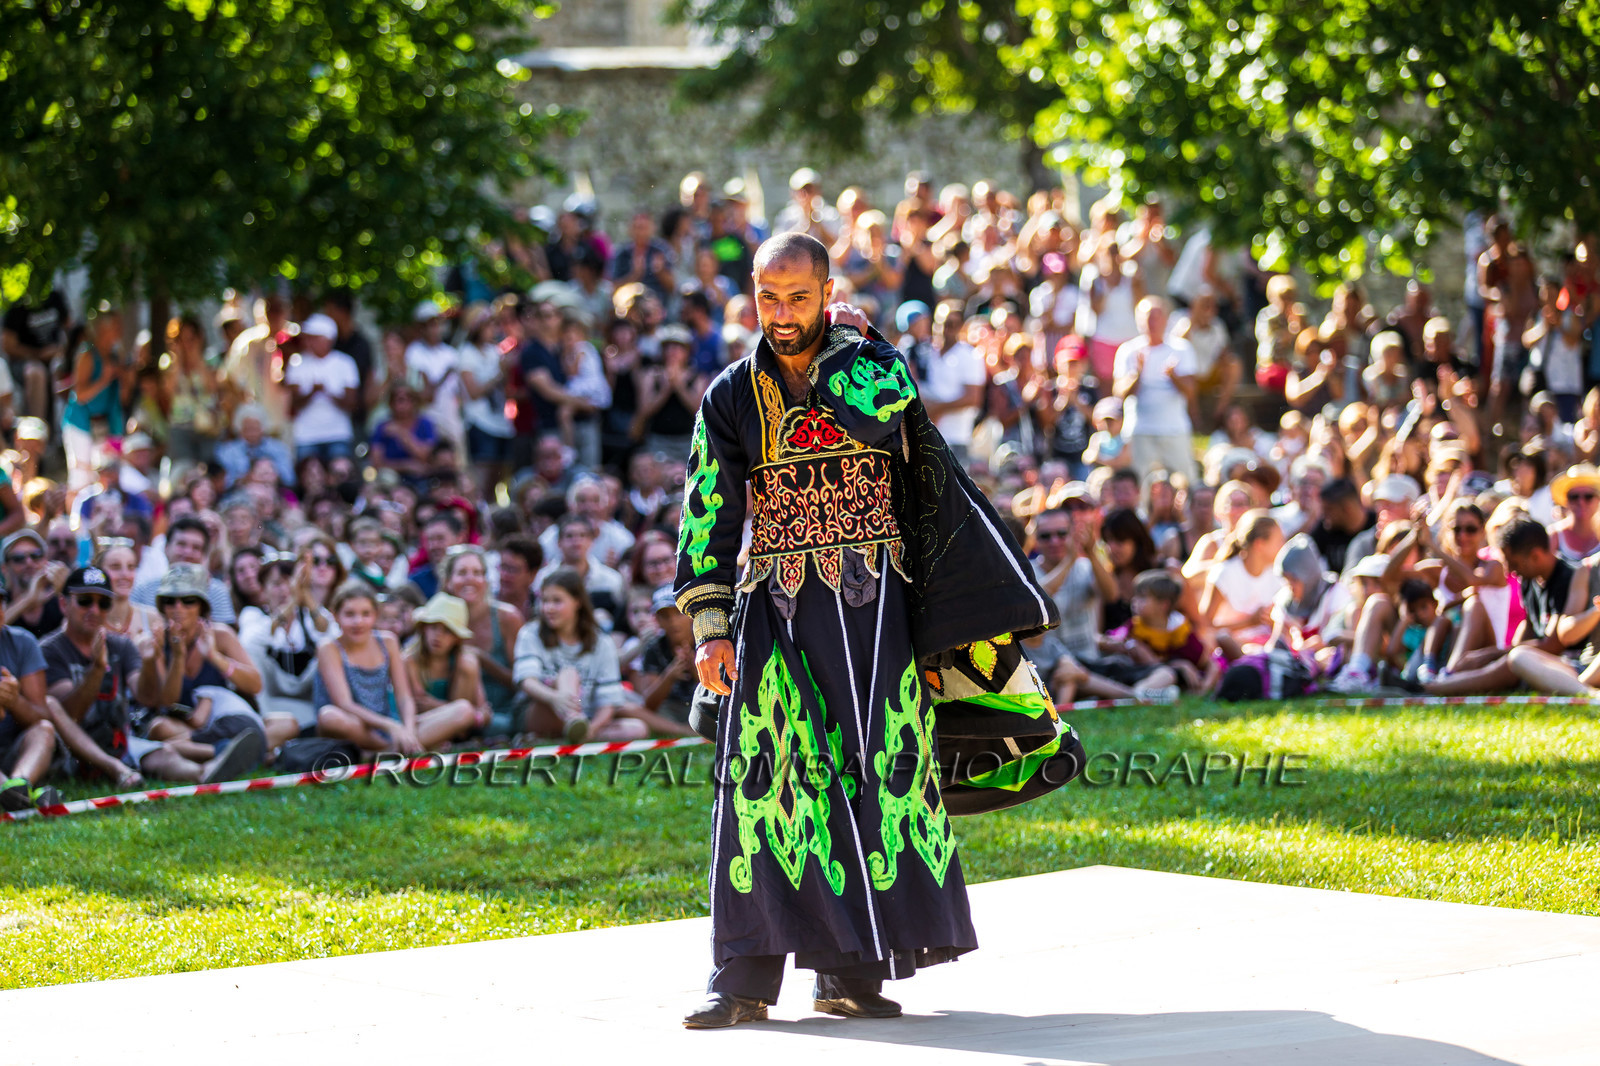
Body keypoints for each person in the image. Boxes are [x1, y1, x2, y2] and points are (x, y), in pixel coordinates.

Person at [676, 233, 1065, 1030]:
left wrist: (849, 343)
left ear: (827, 292)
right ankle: (741, 979)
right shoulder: (727, 394)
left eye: (799, 298)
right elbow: (707, 512)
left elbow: (877, 415)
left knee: (871, 779)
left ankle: (850, 975)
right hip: (775, 612)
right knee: (764, 787)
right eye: (768, 297)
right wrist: (710, 626)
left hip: (877, 614)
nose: (782, 316)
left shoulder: (875, 367)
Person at [42, 566, 262, 789]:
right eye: (85, 601)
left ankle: (204, 772)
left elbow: (146, 696)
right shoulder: (50, 650)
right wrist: (98, 669)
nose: (95, 609)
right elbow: (70, 714)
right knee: (160, 731)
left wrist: (150, 662)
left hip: (126, 741)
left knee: (161, 753)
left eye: (103, 603)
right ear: (63, 604)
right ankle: (233, 751)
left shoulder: (121, 645)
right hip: (75, 751)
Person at [314, 582, 477, 753]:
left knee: (464, 710)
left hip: (390, 725)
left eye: (366, 614)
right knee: (329, 716)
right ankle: (393, 749)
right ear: (335, 615)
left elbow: (404, 697)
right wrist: (391, 726)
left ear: (376, 615)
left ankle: (387, 750)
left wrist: (408, 729)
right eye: (349, 614)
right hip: (356, 725)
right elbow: (344, 704)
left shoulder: (388, 642)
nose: (358, 621)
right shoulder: (329, 648)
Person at [512, 568, 634, 743]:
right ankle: (572, 723)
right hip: (538, 710)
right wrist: (555, 698)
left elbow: (608, 700)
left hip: (586, 717)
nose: (548, 608)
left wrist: (594, 728)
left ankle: (572, 735)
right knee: (568, 674)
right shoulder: (530, 633)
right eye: (545, 601)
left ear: (577, 601)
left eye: (557, 601)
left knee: (636, 728)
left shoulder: (601, 642)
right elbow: (527, 681)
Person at [440, 545, 523, 737]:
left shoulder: (506, 617)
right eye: (462, 573)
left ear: (485, 581)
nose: (470, 579)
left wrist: (482, 660)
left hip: (501, 714)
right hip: (453, 712)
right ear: (448, 582)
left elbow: (520, 681)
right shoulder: (436, 621)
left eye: (477, 573)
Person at [1113, 296, 1198, 482]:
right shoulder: (1128, 350)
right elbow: (1119, 393)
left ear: (1166, 319)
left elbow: (1191, 392)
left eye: (1157, 316)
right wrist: (1137, 374)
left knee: (1186, 481)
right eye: (1148, 317)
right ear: (1138, 320)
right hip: (1140, 431)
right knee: (1140, 483)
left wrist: (1173, 376)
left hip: (1174, 429)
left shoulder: (1182, 349)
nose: (1152, 321)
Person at [403, 593, 490, 733]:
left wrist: (438, 706)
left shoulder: (464, 662)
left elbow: (484, 712)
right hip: (421, 724)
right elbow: (418, 706)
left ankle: (458, 734)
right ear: (423, 629)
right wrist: (467, 713)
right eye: (433, 627)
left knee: (468, 663)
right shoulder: (409, 660)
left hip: (461, 725)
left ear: (457, 638)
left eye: (447, 630)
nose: (438, 636)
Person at [0, 617, 61, 811]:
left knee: (44, 729)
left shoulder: (22, 641)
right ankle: (13, 792)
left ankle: (18, 785)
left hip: (13, 752)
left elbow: (41, 716)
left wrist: (14, 700)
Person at [129, 515, 238, 625]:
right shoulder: (144, 589)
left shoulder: (216, 591)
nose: (187, 553)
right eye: (181, 544)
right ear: (166, 548)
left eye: (196, 548)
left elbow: (226, 636)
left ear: (204, 555)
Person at [283, 314, 360, 463]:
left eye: (314, 337)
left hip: (338, 434)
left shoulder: (345, 363)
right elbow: (294, 403)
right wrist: (313, 392)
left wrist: (327, 391)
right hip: (306, 435)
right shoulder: (297, 363)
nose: (308, 342)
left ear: (328, 339)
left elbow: (351, 404)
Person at [2, 528, 66, 639]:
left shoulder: (56, 598)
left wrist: (67, 592)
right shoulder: (2, 600)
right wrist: (28, 600)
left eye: (36, 555)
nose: (29, 562)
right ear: (4, 569)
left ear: (46, 561)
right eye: (19, 558)